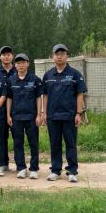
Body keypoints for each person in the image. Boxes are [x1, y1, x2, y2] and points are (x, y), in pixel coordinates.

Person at [43, 44, 87, 183]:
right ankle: (56, 170)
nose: (59, 56)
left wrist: (78, 113)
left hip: (69, 116)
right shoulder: (48, 75)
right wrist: (44, 113)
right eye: (57, 54)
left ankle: (72, 170)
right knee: (54, 143)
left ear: (67, 56)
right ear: (53, 57)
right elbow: (45, 95)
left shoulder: (75, 74)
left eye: (62, 53)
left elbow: (80, 94)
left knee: (71, 144)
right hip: (52, 116)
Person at [6, 54, 43, 179]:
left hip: (31, 117)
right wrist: (8, 115)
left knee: (33, 143)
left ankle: (33, 168)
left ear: (28, 63)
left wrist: (39, 114)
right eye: (18, 63)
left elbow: (38, 98)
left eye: (23, 62)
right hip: (16, 117)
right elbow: (9, 99)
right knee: (18, 143)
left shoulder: (35, 80)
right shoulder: (11, 81)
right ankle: (21, 168)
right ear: (14, 65)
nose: (20, 65)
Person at [0, 46, 17, 172]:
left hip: (17, 110)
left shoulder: (19, 68)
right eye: (3, 54)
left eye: (8, 54)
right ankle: (4, 162)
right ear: (0, 57)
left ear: (12, 56)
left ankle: (19, 163)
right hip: (0, 110)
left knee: (17, 137)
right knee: (2, 138)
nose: (6, 56)